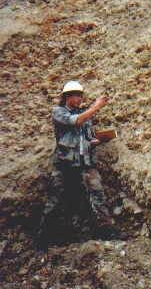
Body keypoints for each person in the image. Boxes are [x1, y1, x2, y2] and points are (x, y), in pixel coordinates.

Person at [36, 81, 118, 248]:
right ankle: (44, 239)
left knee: (97, 195)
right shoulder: (58, 112)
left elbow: (85, 137)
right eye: (77, 95)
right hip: (65, 164)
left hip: (86, 163)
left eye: (81, 95)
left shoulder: (84, 115)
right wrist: (96, 106)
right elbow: (76, 121)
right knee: (56, 200)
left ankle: (108, 232)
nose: (80, 99)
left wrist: (95, 141)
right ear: (67, 96)